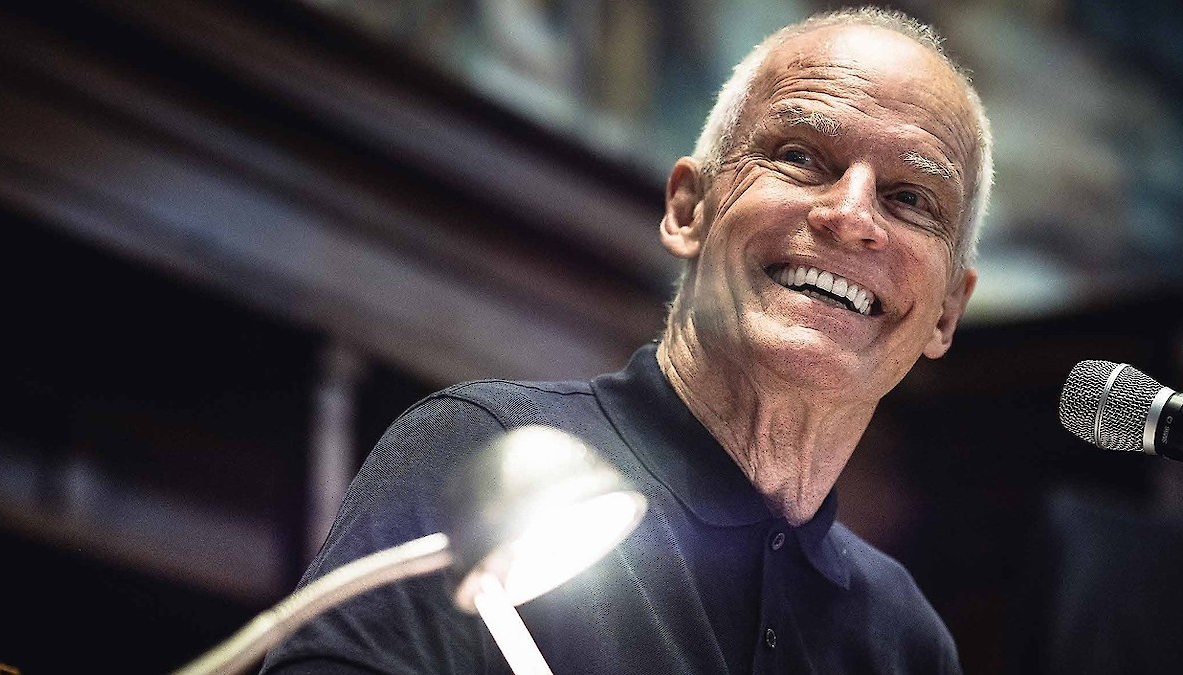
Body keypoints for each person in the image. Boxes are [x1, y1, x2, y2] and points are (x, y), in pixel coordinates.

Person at [261, 6, 992, 674]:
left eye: (909, 198)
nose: (851, 215)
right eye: (801, 156)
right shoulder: (476, 453)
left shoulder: (906, 641)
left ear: (945, 314)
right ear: (689, 209)